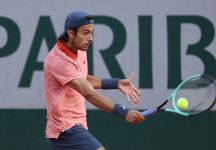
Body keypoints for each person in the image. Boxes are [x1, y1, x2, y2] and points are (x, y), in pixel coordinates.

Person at [44, 10, 145, 150]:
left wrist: (116, 83)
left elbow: (83, 80)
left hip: (77, 124)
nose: (90, 38)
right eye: (85, 33)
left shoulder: (80, 50)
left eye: (91, 32)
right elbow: (88, 93)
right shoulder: (58, 60)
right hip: (64, 129)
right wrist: (124, 112)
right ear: (71, 33)